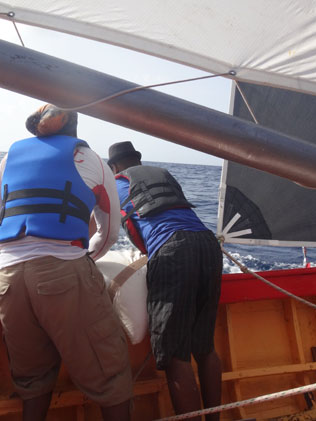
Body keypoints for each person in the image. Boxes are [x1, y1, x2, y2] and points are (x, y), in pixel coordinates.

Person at [0, 104, 132, 421]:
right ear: (75, 127)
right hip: (63, 272)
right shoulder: (90, 159)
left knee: (32, 379)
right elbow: (109, 232)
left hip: (8, 279)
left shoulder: (8, 158)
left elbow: (0, 218)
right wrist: (82, 257)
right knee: (110, 373)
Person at [107, 141, 223, 421]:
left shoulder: (115, 185)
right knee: (205, 347)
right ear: (138, 160)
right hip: (208, 245)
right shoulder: (162, 174)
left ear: (114, 168)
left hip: (173, 252)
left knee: (174, 355)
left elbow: (124, 229)